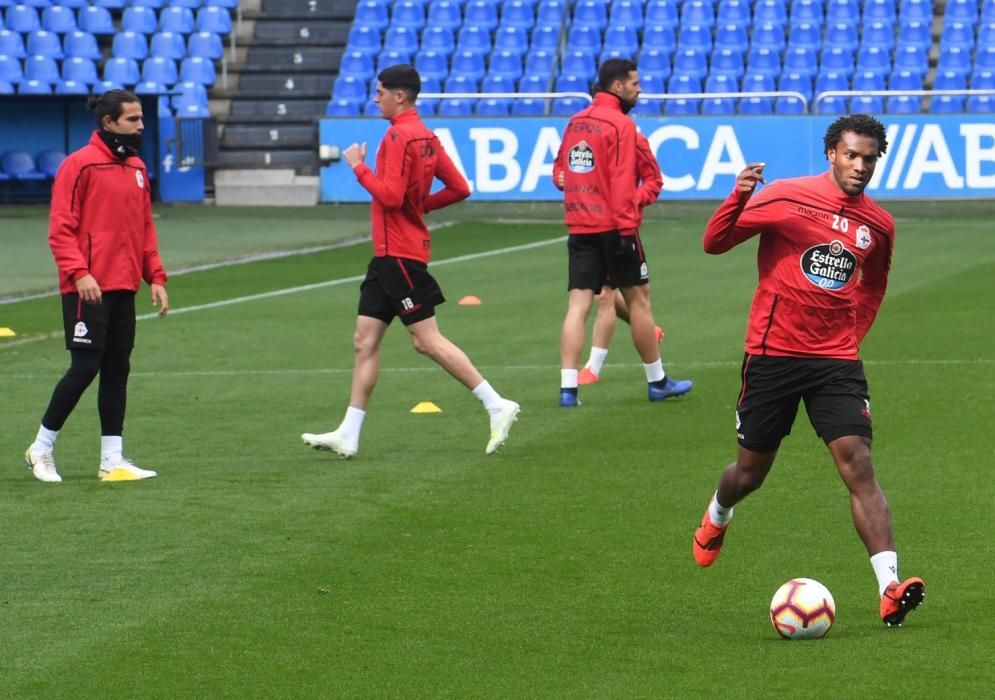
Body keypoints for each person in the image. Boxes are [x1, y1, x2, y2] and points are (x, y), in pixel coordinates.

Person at [691, 114, 925, 627]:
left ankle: (889, 586)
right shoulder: (786, 197)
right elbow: (715, 241)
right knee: (750, 474)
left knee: (858, 463)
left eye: (869, 158)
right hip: (773, 354)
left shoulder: (878, 224)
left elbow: (872, 285)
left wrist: (850, 336)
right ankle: (718, 513)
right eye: (851, 155)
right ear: (831, 154)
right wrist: (738, 195)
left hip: (834, 362)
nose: (860, 166)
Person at [302, 64, 520, 458]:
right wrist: (421, 207)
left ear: (399, 96)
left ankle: (497, 403)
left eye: (380, 92)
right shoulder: (427, 137)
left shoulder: (399, 137)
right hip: (389, 254)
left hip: (399, 254)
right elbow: (459, 188)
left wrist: (357, 166)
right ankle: (348, 433)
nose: (375, 98)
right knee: (364, 341)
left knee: (427, 341)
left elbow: (388, 196)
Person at [24, 89, 168, 483]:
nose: (141, 126)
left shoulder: (137, 168)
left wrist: (154, 275)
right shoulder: (79, 166)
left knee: (117, 370)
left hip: (123, 285)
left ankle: (112, 460)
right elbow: (60, 229)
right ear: (109, 122)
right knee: (85, 367)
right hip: (86, 288)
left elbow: (144, 229)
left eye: (141, 119)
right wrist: (79, 272)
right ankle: (41, 447)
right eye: (133, 120)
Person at [553, 58, 692, 407]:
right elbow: (625, 182)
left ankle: (568, 390)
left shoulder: (575, 124)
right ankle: (657, 381)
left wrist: (575, 189)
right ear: (617, 86)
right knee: (639, 302)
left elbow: (560, 172)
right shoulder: (623, 128)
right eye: (634, 82)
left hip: (580, 228)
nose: (639, 88)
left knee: (577, 306)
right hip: (616, 228)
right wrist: (630, 219)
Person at [559, 133, 666, 385]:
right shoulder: (583, 135)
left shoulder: (630, 137)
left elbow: (653, 179)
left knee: (606, 295)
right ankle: (649, 332)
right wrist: (561, 177)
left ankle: (593, 367)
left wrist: (631, 202)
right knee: (604, 294)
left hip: (617, 228)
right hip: (590, 226)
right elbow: (562, 166)